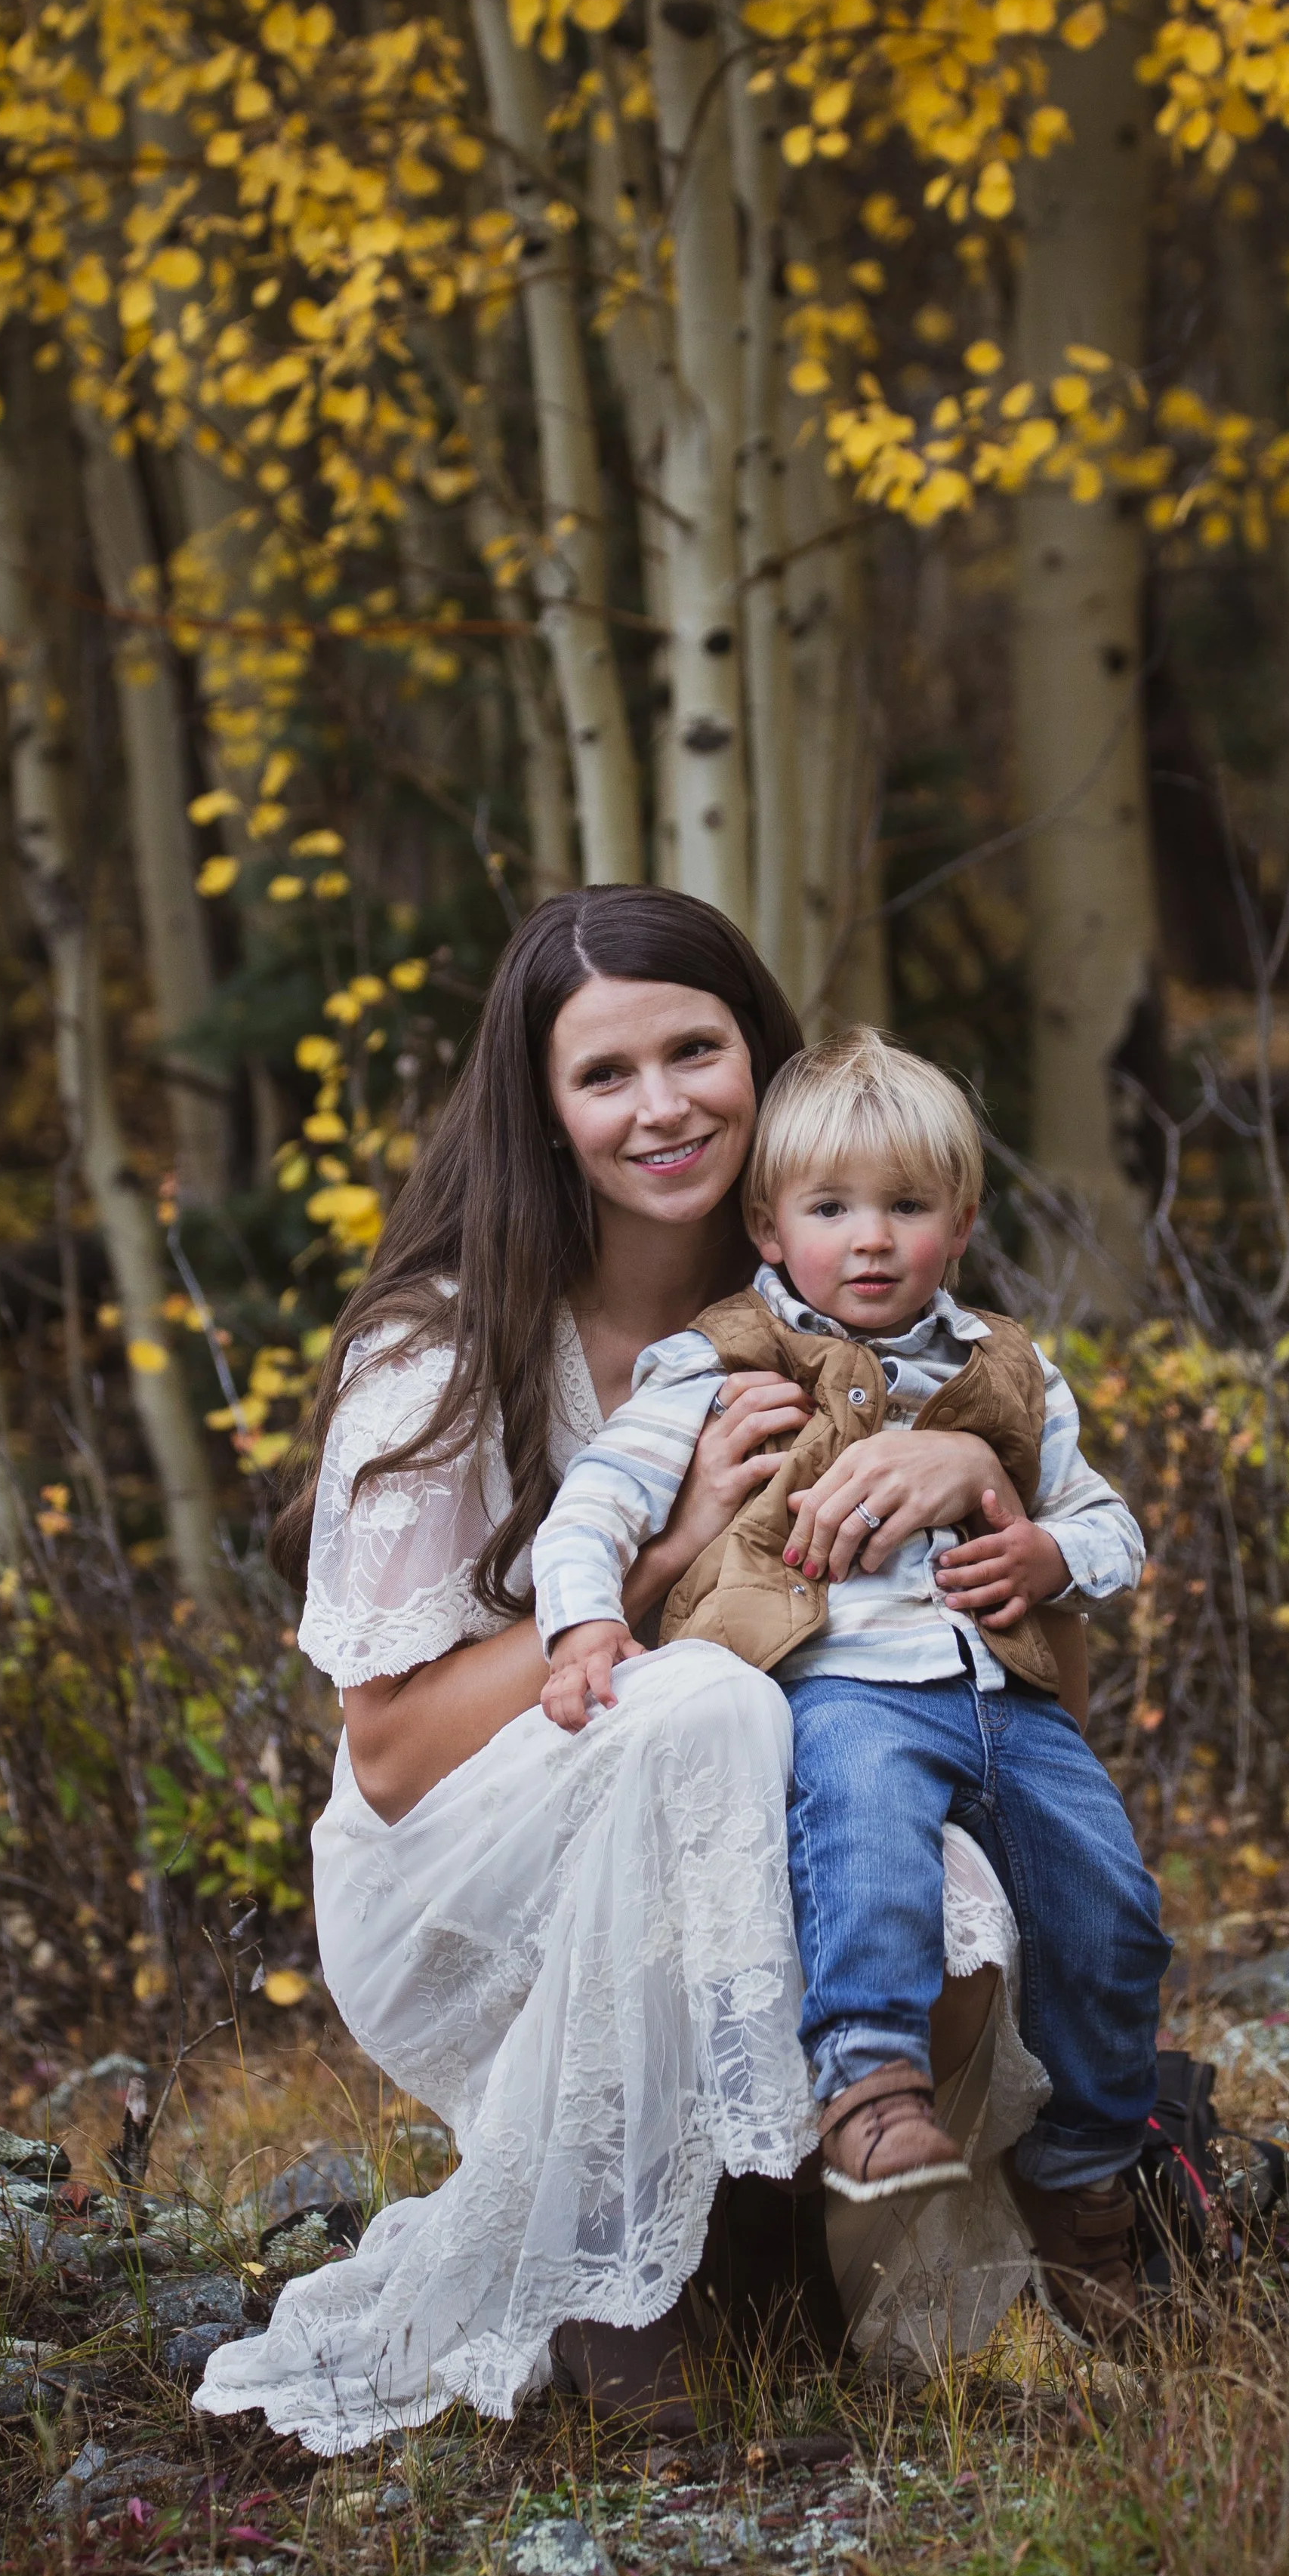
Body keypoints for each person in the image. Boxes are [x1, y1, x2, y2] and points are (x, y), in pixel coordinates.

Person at [193, 891, 1050, 2454]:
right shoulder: (438, 1349)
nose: (662, 1106)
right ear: (539, 1107)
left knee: (956, 1905)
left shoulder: (820, 1295)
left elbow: (1014, 1457)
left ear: (757, 1057)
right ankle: (612, 2295)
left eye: (694, 1050)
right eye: (604, 1073)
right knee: (699, 1698)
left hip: (729, 1793)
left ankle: (754, 2240)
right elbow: (387, 1751)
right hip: (460, 1860)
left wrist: (941, 1456)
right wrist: (652, 1572)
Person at [532, 1029, 1168, 2334]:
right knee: (865, 1843)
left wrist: (1051, 1552)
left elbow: (1115, 1531)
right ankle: (869, 2087)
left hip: (1008, 1699)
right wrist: (583, 1623)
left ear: (962, 1221)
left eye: (906, 1207)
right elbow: (599, 1493)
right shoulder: (723, 1361)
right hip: (843, 1684)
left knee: (1112, 1910)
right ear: (769, 1227)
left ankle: (1088, 2185)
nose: (869, 1239)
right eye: (831, 1209)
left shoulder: (1012, 1366)